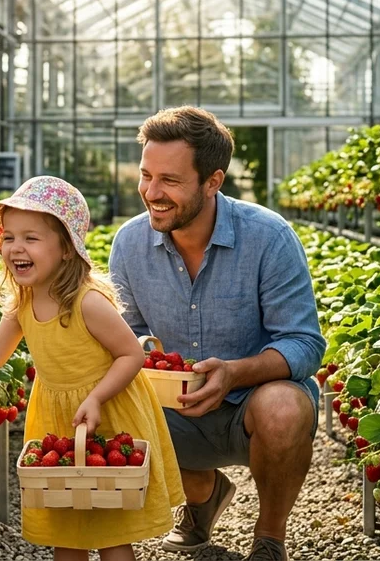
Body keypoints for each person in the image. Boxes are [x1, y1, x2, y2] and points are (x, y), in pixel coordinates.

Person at [0, 176, 184, 561]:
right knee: (66, 526)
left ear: (66, 250)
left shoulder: (87, 303)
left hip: (106, 413)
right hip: (58, 420)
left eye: (31, 238)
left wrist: (96, 397)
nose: (15, 247)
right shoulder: (23, 303)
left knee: (112, 529)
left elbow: (131, 355)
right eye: (9, 237)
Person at [108, 107, 327, 561]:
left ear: (213, 181)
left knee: (285, 406)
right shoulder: (130, 244)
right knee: (111, 401)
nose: (151, 192)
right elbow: (123, 338)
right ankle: (203, 495)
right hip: (175, 406)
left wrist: (233, 373)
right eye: (146, 175)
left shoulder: (268, 237)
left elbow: (304, 343)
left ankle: (269, 539)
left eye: (170, 180)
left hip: (251, 403)